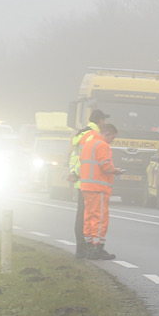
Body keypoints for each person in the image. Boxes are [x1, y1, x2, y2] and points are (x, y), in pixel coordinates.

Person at [67, 109, 108, 257]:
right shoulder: (93, 136)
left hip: (81, 179)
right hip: (88, 180)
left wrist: (74, 173)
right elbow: (88, 159)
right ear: (101, 121)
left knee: (83, 215)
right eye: (104, 121)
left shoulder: (82, 133)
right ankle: (86, 248)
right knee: (88, 216)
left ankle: (82, 247)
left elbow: (75, 157)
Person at [78, 122, 120, 260]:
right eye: (112, 138)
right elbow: (105, 165)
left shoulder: (88, 144)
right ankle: (98, 247)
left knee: (88, 216)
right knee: (100, 218)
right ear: (107, 134)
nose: (111, 141)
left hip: (86, 186)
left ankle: (89, 245)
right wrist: (116, 171)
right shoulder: (103, 145)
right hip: (99, 187)